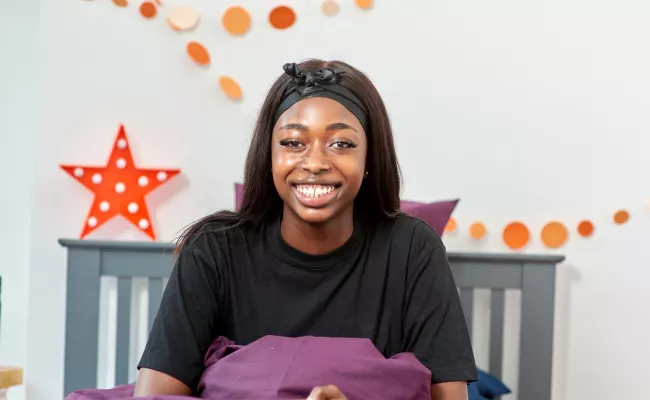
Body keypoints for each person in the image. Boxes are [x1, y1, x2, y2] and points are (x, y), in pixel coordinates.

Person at [134, 59, 478, 399]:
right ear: (268, 156)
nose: (314, 163)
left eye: (341, 144)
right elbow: (153, 396)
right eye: (293, 143)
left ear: (369, 159)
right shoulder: (214, 251)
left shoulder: (413, 250)